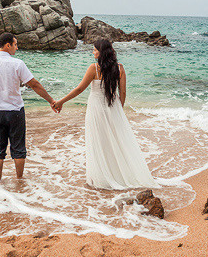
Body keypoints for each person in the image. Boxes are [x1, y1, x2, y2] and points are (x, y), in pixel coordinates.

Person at [53, 39, 157, 190]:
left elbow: (79, 89)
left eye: (95, 50)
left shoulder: (94, 68)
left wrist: (61, 101)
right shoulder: (120, 68)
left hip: (95, 109)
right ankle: (118, 175)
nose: (93, 52)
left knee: (98, 142)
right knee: (114, 141)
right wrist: (119, 111)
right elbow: (122, 92)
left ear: (102, 52)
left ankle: (101, 178)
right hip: (113, 107)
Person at [0, 32, 58, 181]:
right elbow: (34, 84)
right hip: (15, 112)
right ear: (8, 45)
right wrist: (51, 100)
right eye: (15, 44)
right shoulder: (17, 64)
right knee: (19, 148)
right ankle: (20, 180)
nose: (17, 48)